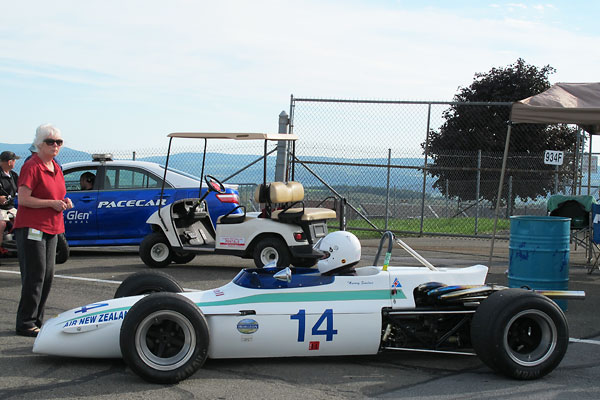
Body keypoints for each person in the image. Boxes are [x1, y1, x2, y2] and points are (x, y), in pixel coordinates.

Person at [14, 124, 73, 337]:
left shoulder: (56, 167)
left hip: (53, 228)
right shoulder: (32, 166)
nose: (55, 145)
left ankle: (37, 320)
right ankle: (26, 322)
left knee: (47, 275)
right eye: (50, 141)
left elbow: (56, 195)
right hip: (32, 228)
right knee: (34, 274)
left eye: (59, 142)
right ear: (39, 144)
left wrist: (64, 201)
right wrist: (51, 203)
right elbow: (23, 199)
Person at [0, 151, 20, 255]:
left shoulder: (14, 175)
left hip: (11, 207)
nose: (15, 162)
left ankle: (25, 247)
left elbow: (21, 190)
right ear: (9, 162)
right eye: (14, 160)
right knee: (1, 224)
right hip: (0, 209)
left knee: (23, 221)